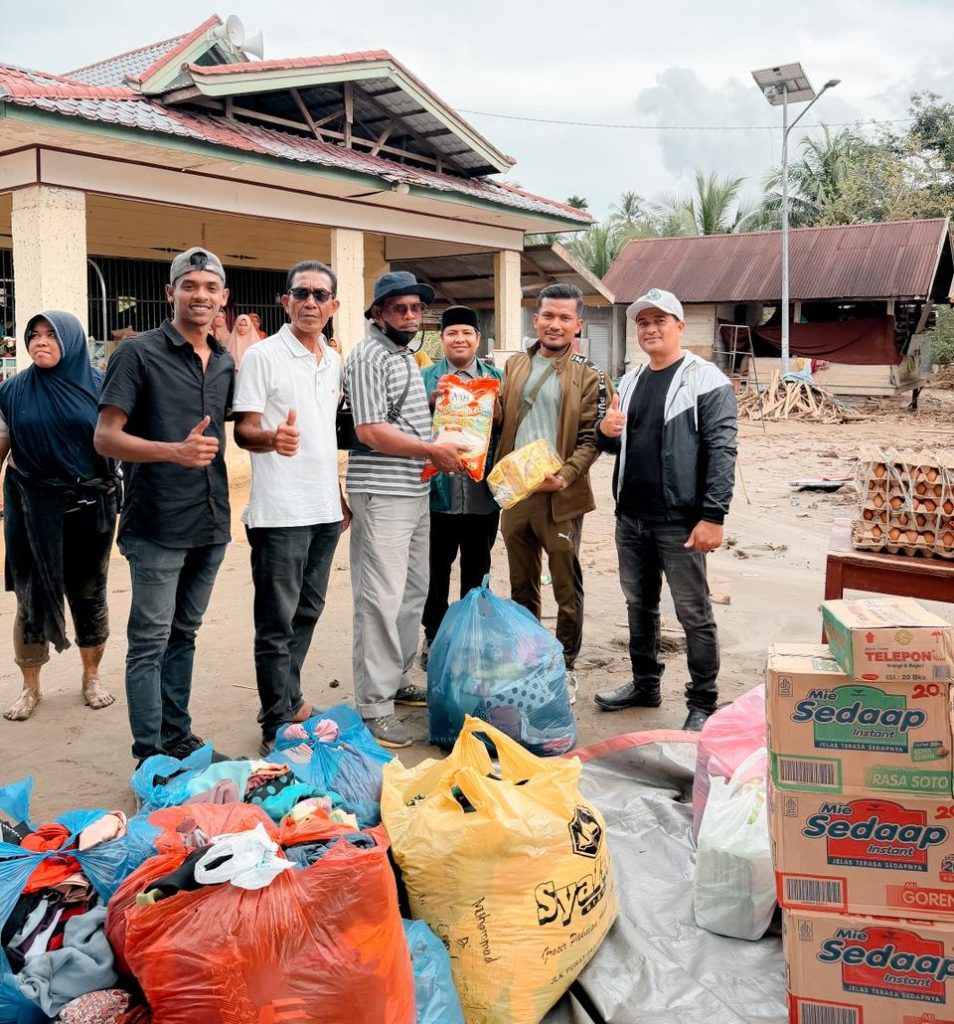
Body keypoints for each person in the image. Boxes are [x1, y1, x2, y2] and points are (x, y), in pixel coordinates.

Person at [95, 246, 234, 764]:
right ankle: (150, 758)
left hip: (210, 521)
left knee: (184, 634)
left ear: (223, 297)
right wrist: (174, 452)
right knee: (150, 642)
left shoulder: (224, 361)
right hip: (156, 522)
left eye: (210, 287)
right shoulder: (137, 354)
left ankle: (178, 738)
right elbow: (106, 437)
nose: (200, 295)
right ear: (170, 292)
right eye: (189, 285)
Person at [593, 288, 737, 731]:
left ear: (679, 326)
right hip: (631, 517)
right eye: (642, 322)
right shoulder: (630, 380)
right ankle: (645, 685)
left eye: (660, 320)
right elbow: (611, 445)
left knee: (693, 612)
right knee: (639, 605)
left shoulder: (706, 380)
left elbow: (722, 450)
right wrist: (605, 431)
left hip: (680, 521)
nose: (650, 329)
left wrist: (713, 516)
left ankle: (703, 702)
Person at [343, 271, 467, 748]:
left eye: (416, 308)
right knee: (380, 598)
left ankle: (396, 679)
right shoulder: (369, 356)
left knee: (413, 592)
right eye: (400, 308)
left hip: (414, 491)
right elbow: (370, 430)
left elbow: (399, 417)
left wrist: (434, 404)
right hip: (382, 493)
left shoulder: (403, 355)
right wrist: (431, 450)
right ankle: (374, 705)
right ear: (377, 313)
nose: (411, 316)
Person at [233, 261, 350, 755]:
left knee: (308, 610)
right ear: (285, 301)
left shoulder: (333, 360)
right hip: (280, 513)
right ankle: (275, 720)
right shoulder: (263, 356)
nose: (310, 302)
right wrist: (271, 439)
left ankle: (291, 699)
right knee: (276, 621)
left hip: (323, 510)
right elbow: (244, 430)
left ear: (333, 306)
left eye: (320, 295)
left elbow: (323, 434)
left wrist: (337, 496)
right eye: (301, 293)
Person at [495, 284, 611, 703]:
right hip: (517, 493)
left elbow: (592, 438)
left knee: (565, 586)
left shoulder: (591, 375)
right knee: (521, 584)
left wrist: (564, 476)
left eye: (565, 318)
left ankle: (565, 666)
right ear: (536, 320)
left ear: (578, 324)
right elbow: (499, 420)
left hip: (560, 496)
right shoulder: (515, 366)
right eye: (548, 316)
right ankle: (530, 661)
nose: (555, 324)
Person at [0, 311, 118, 722]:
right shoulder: (12, 390)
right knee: (30, 597)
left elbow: (122, 439)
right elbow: (2, 442)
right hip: (30, 507)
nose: (41, 341)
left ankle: (91, 677)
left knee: (89, 595)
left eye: (52, 334)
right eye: (34, 335)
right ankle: (30, 687)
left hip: (91, 506)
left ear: (71, 340)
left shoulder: (102, 386)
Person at [420, 306, 502, 663]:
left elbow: (508, 427)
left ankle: (472, 638)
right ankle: (434, 637)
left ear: (477, 339)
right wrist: (431, 402)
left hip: (482, 496)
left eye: (467, 333)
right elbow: (408, 427)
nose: (460, 339)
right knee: (435, 571)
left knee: (478, 570)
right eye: (452, 333)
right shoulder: (425, 378)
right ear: (442, 339)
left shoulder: (496, 379)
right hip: (438, 496)